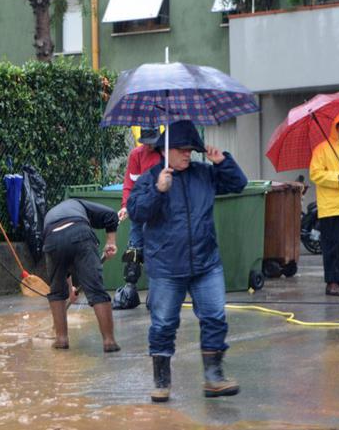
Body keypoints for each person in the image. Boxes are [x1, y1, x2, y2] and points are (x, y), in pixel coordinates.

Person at [128, 120, 247, 403]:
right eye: (182, 149)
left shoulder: (204, 174)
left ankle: (214, 377)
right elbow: (136, 212)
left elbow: (238, 184)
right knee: (163, 324)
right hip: (167, 267)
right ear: (166, 150)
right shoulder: (150, 178)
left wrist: (223, 161)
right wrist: (158, 190)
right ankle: (161, 381)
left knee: (215, 318)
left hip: (206, 263)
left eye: (191, 150)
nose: (187, 155)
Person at [43, 198, 121, 353]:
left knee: (57, 292)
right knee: (96, 289)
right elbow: (112, 215)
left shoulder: (52, 214)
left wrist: (68, 291)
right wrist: (110, 242)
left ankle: (61, 339)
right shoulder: (80, 204)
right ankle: (109, 341)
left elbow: (64, 262)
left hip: (52, 238)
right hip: (80, 233)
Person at [115, 128, 162, 308]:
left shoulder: (165, 154)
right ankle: (130, 288)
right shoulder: (136, 155)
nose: (149, 145)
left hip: (158, 211)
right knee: (134, 249)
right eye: (146, 141)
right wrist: (125, 207)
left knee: (155, 250)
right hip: (138, 208)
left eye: (152, 141)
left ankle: (156, 290)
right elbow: (129, 183)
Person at [310, 112, 339, 296]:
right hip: (330, 207)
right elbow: (315, 174)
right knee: (332, 247)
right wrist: (338, 177)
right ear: (335, 127)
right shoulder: (322, 149)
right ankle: (331, 282)